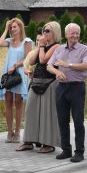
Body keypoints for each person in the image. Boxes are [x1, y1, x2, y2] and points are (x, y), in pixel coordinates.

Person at [47, 23, 87, 162]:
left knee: (78, 121)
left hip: (77, 88)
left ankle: (79, 152)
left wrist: (69, 65)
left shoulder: (84, 49)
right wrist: (57, 71)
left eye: (77, 33)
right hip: (61, 87)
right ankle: (66, 150)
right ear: (66, 34)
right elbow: (49, 65)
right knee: (62, 120)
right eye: (72, 33)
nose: (75, 35)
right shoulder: (59, 49)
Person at [17, 21, 61, 153]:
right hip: (36, 82)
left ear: (54, 32)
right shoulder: (42, 46)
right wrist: (39, 46)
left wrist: (42, 46)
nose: (44, 33)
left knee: (46, 114)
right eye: (43, 31)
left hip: (49, 83)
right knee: (31, 112)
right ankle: (28, 141)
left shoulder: (57, 46)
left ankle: (48, 143)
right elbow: (31, 61)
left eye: (47, 31)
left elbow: (43, 60)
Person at [0, 18, 32, 143]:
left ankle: (17, 131)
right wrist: (5, 28)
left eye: (15, 27)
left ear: (21, 27)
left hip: (19, 73)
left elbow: (28, 59)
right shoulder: (9, 41)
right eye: (11, 28)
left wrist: (15, 66)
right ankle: (9, 131)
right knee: (8, 100)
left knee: (18, 101)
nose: (13, 29)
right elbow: (0, 43)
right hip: (8, 73)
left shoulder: (26, 42)